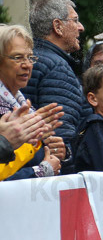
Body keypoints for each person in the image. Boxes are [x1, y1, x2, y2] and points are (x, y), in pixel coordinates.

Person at [22, 0, 88, 169]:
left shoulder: (27, 61)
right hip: (48, 177)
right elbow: (60, 136)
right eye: (75, 21)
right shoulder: (56, 68)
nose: (81, 27)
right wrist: (66, 160)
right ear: (57, 26)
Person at [0, 24, 65, 180]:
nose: (27, 65)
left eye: (30, 57)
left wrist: (55, 151)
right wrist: (42, 170)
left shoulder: (24, 107)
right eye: (18, 57)